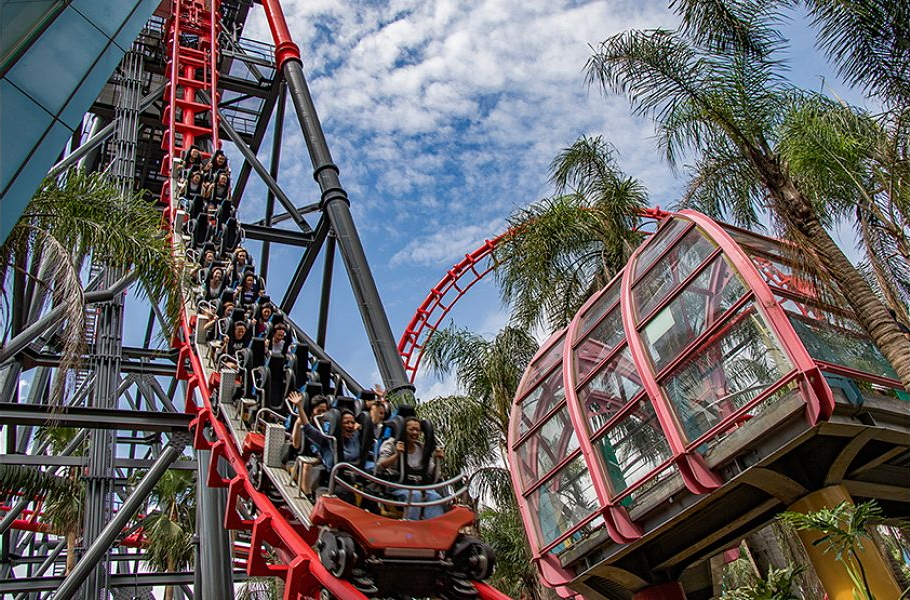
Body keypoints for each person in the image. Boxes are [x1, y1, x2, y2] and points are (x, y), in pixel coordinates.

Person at [376, 417, 445, 519]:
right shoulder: (391, 444)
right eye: (411, 429)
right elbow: (380, 466)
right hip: (397, 486)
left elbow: (432, 473)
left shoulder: (421, 448)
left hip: (419, 486)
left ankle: (435, 528)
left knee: (435, 497)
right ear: (403, 430)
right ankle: (411, 525)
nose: (414, 432)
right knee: (415, 495)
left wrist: (437, 459)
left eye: (417, 430)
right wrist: (397, 455)